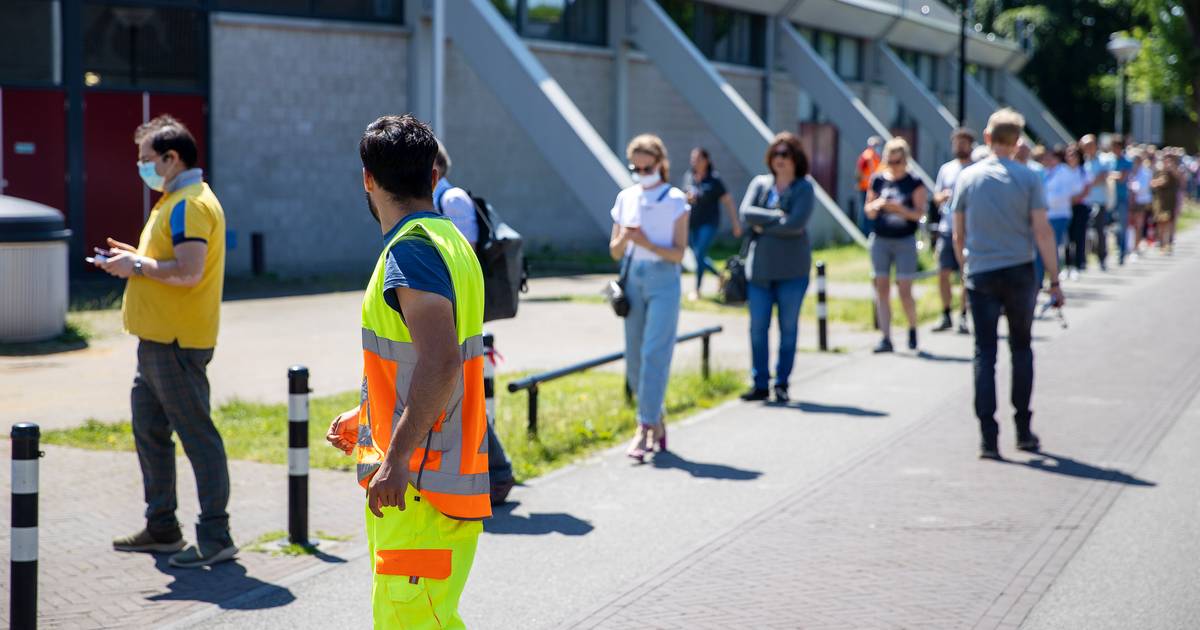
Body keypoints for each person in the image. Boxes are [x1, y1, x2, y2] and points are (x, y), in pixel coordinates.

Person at [325, 115, 490, 628]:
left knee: (413, 621)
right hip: (430, 479)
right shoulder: (448, 241)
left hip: (419, 483)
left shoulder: (411, 251)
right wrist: (371, 415)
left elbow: (440, 364)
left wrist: (394, 459)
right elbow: (421, 362)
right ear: (433, 177)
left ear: (368, 180)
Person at [97, 115, 235, 568]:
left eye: (147, 161)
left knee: (198, 436)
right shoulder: (175, 199)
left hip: (175, 344)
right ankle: (163, 528)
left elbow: (189, 270)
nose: (142, 168)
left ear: (173, 158)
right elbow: (171, 263)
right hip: (157, 341)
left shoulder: (189, 204)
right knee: (151, 433)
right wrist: (135, 258)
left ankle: (216, 536)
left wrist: (135, 267)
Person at [951, 108, 1064, 460]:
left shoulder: (967, 178)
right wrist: (1055, 279)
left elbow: (958, 234)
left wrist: (964, 270)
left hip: (981, 273)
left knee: (984, 353)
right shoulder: (1029, 179)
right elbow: (1042, 232)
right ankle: (1023, 430)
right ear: (1017, 142)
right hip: (1019, 272)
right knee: (1021, 348)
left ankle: (988, 437)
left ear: (987, 138)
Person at [432, 143, 515, 506]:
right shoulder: (438, 199)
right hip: (448, 307)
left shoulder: (451, 201)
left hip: (458, 309)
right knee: (456, 393)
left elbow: (463, 255)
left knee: (460, 391)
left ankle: (497, 472)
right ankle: (488, 472)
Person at [609, 134, 689, 461]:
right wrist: (627, 239)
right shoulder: (626, 197)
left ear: (661, 164)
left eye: (648, 166)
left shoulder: (675, 199)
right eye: (636, 167)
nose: (642, 172)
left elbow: (679, 254)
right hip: (633, 279)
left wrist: (646, 241)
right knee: (634, 358)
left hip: (663, 278)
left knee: (655, 352)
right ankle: (657, 418)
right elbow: (614, 252)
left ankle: (643, 428)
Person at [738, 132, 816, 403]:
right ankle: (760, 383)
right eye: (776, 154)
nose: (780, 160)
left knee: (788, 329)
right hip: (760, 272)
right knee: (757, 329)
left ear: (796, 159)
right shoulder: (760, 184)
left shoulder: (804, 188)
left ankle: (782, 383)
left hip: (792, 273)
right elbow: (745, 214)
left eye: (785, 154)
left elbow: (795, 225)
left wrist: (765, 225)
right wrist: (777, 218)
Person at [865, 137, 926, 353]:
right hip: (881, 239)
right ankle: (886, 337)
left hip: (904, 241)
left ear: (905, 160)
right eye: (890, 161)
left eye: (898, 161)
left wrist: (899, 209)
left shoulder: (914, 182)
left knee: (904, 290)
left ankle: (912, 327)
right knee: (881, 288)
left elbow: (919, 214)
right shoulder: (878, 180)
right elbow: (869, 210)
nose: (894, 165)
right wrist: (878, 204)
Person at [682, 147, 741, 300]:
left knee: (700, 253)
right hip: (692, 222)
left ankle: (697, 290)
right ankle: (720, 275)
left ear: (706, 160)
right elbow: (683, 196)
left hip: (709, 222)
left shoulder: (714, 180)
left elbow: (728, 201)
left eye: (698, 159)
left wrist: (735, 223)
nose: (695, 162)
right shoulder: (689, 176)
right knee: (697, 256)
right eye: (693, 159)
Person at [932, 128, 975, 334]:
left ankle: (964, 314)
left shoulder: (976, 170)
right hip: (947, 228)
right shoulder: (946, 169)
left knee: (965, 274)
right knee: (943, 272)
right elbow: (936, 196)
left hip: (969, 230)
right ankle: (946, 313)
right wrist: (943, 196)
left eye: (963, 143)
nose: (959, 146)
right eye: (956, 143)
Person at [1037, 145, 1076, 288]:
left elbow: (1065, 193)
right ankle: (1040, 279)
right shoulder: (1043, 172)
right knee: (1041, 249)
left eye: (1050, 157)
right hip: (1045, 215)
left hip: (1059, 214)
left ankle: (1053, 277)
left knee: (1052, 247)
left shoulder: (1064, 172)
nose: (1047, 160)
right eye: (1045, 157)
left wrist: (1044, 202)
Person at [1079, 134, 1113, 271]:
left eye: (1090, 145)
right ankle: (1083, 260)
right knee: (1084, 232)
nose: (1088, 149)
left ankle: (1102, 258)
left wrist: (1088, 185)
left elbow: (1103, 176)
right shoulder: (1083, 162)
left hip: (1099, 201)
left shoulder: (1104, 160)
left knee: (1100, 231)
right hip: (1085, 201)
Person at [1064, 144, 1091, 278]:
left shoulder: (1083, 171)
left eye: (1073, 154)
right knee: (1067, 236)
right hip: (1066, 207)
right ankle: (1068, 264)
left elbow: (1087, 188)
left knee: (1079, 235)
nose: (1071, 157)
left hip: (1080, 207)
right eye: (1068, 154)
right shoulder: (1063, 170)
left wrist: (1076, 199)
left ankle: (1078, 263)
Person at [1108, 135, 1134, 265]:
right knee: (1110, 228)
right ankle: (1115, 249)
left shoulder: (1127, 161)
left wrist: (1109, 175)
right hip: (1109, 198)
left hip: (1122, 198)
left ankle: (1122, 251)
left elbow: (1122, 178)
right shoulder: (1109, 160)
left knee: (1122, 226)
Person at [1151, 152, 1182, 254]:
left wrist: (1171, 168)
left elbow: (1179, 179)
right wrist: (1159, 180)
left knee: (1169, 223)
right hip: (1161, 200)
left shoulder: (1175, 170)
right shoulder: (1159, 170)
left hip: (1171, 200)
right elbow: (1153, 182)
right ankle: (1162, 243)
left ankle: (1169, 242)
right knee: (1161, 222)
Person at [1128, 149, 1153, 256]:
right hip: (1130, 201)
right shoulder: (1130, 171)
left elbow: (1143, 187)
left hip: (1140, 201)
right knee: (1130, 225)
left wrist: (1133, 187)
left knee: (1138, 224)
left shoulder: (1146, 172)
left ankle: (1136, 246)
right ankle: (1129, 246)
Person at [856, 136, 883, 233]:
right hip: (866, 187)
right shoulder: (867, 156)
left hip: (872, 187)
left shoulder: (875, 156)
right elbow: (859, 173)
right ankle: (866, 233)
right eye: (877, 145)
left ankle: (870, 231)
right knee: (866, 211)